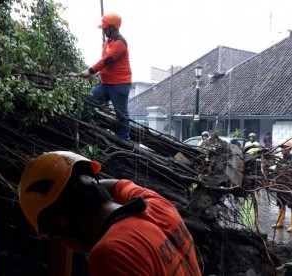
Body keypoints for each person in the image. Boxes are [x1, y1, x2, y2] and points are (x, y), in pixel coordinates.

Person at [18, 151, 202, 275]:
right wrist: (83, 188)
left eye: (52, 236)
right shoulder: (158, 206)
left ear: (62, 223)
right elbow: (118, 184)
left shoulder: (111, 253)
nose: (64, 245)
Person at [72, 12, 132, 141]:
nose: (103, 30)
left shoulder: (121, 43)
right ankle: (84, 131)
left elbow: (107, 60)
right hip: (105, 84)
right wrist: (97, 74)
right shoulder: (107, 42)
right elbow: (105, 62)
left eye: (105, 28)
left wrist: (90, 71)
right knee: (88, 102)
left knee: (121, 114)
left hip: (120, 85)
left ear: (113, 27)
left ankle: (124, 141)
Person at [271, 140, 292, 232]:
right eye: (282, 148)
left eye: (285, 148)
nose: (283, 150)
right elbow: (276, 172)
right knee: (281, 204)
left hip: (289, 187)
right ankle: (280, 223)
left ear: (290, 149)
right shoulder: (280, 160)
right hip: (280, 186)